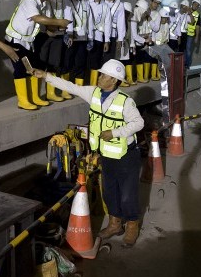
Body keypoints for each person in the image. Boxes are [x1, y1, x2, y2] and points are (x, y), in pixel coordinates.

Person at [32, 59, 144, 246]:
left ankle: (132, 224)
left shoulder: (125, 102)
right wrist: (46, 77)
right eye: (101, 74)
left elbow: (138, 123)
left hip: (126, 155)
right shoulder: (93, 93)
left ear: (115, 80)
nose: (99, 77)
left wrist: (114, 133)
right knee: (109, 192)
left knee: (127, 194)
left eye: (104, 75)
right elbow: (71, 87)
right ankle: (115, 224)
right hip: (107, 154)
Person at [4, 0, 71, 110]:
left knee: (34, 66)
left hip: (27, 42)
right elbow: (38, 18)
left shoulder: (42, 3)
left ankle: (34, 97)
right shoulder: (30, 1)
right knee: (21, 69)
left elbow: (45, 22)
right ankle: (23, 101)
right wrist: (59, 22)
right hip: (15, 40)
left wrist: (56, 27)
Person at [35, 0, 68, 103]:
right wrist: (49, 26)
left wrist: (63, 28)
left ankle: (50, 92)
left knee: (54, 64)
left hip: (57, 34)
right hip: (42, 34)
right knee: (39, 64)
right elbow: (37, 16)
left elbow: (66, 10)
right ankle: (36, 95)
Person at [62, 0, 90, 98]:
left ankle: (78, 90)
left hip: (82, 39)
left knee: (80, 64)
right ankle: (65, 90)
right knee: (67, 64)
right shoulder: (66, 3)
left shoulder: (85, 3)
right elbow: (66, 19)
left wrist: (91, 37)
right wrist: (68, 34)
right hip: (71, 39)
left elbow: (90, 21)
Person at [87, 0, 111, 86]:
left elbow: (107, 24)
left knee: (95, 62)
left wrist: (107, 41)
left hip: (98, 38)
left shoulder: (106, 6)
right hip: (86, 37)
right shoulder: (87, 2)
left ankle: (93, 85)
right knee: (83, 60)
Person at [104, 0, 126, 65]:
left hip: (112, 35)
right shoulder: (100, 0)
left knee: (108, 59)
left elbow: (121, 24)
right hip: (98, 34)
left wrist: (120, 39)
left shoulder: (120, 5)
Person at [185, 0, 201, 69]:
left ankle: (187, 65)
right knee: (181, 49)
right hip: (183, 33)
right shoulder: (186, 10)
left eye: (197, 5)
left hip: (190, 35)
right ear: (192, 4)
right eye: (195, 4)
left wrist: (197, 37)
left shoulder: (197, 14)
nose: (196, 6)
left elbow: (197, 26)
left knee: (188, 50)